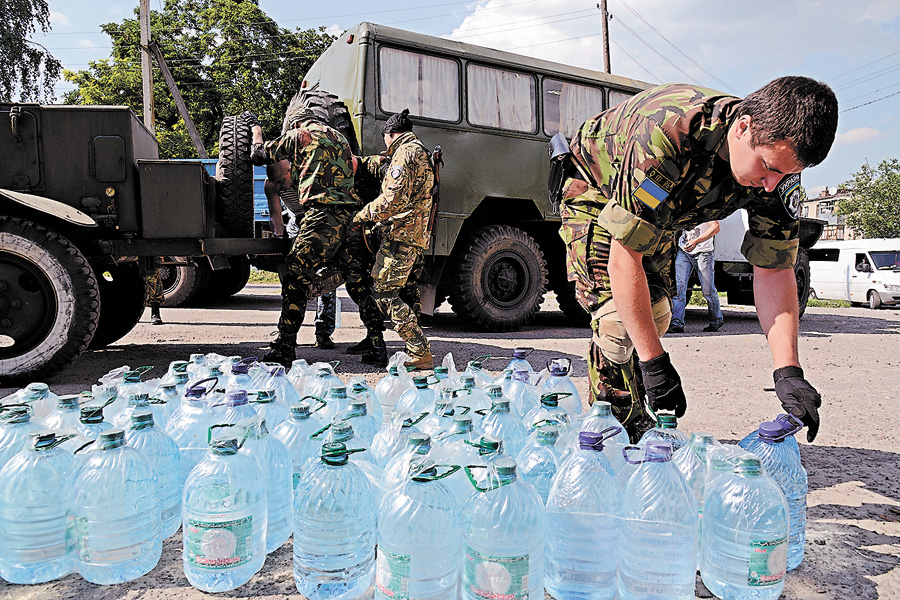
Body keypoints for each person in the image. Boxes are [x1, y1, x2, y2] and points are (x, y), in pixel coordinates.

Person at [557, 76, 837, 442]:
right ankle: (610, 431)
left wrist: (789, 372)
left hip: (665, 212)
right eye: (767, 167)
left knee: (655, 315)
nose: (772, 184)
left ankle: (637, 419)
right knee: (617, 323)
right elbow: (625, 257)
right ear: (743, 126)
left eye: (786, 174)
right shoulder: (669, 135)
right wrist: (655, 363)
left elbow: (774, 268)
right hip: (596, 190)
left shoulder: (779, 172)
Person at [260, 108, 380, 367]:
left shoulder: (300, 135)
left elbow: (261, 154)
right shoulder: (340, 138)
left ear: (298, 122)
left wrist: (256, 137)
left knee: (295, 275)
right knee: (357, 281)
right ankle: (378, 345)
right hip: (349, 218)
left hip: (322, 217)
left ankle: (285, 346)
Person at [352, 109, 435, 370]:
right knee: (403, 290)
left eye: (385, 138)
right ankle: (417, 350)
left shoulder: (405, 154)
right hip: (413, 234)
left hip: (401, 235)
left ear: (390, 135)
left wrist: (361, 216)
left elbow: (391, 200)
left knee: (383, 292)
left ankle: (420, 351)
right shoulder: (418, 151)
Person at [263, 176, 339, 349]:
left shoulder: (307, 171)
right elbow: (276, 216)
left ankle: (323, 332)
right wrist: (278, 236)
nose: (281, 184)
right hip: (296, 230)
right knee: (292, 285)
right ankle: (288, 335)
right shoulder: (271, 183)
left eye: (283, 179)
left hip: (319, 228)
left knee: (325, 282)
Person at [669, 221, 724, 333]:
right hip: (684, 250)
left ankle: (716, 319)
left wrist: (695, 241)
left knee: (707, 290)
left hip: (704, 252)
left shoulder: (706, 209)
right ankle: (677, 323)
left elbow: (716, 227)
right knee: (679, 287)